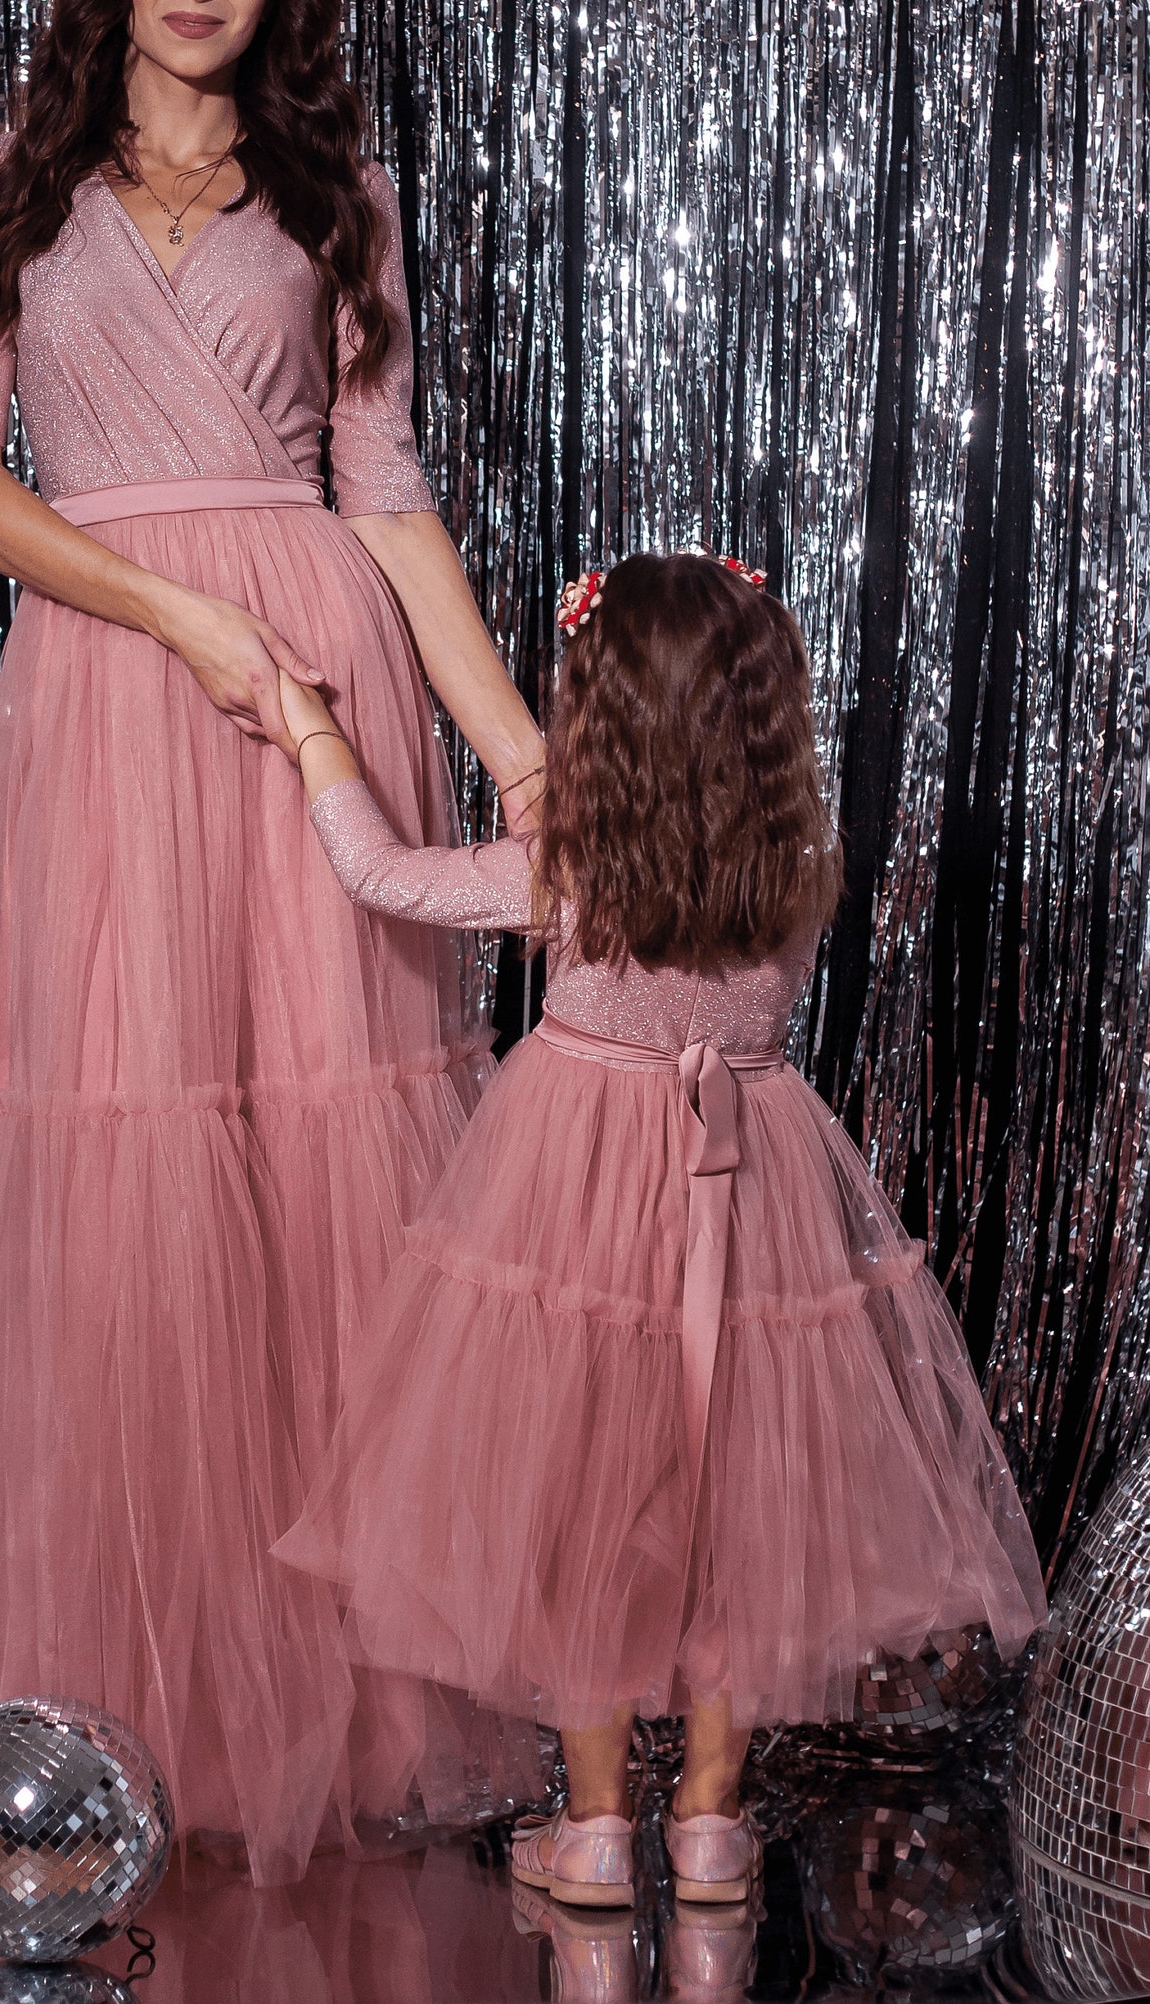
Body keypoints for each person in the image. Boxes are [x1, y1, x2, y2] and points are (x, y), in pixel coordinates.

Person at [0, 0, 545, 1887]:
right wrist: (182, 616)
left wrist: (516, 752)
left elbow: (386, 495)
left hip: (319, 683)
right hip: (119, 691)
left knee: (324, 1159)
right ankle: (128, 1705)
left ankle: (345, 1714)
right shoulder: (6, 187)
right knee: (125, 1155)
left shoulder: (337, 193)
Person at [272, 551, 1047, 1910]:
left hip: (573, 1198)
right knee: (739, 1506)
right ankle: (709, 1824)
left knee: (580, 1504)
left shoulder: (567, 874)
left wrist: (311, 734)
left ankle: (593, 1829)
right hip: (750, 1198)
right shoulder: (792, 868)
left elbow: (381, 873)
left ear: (605, 721)